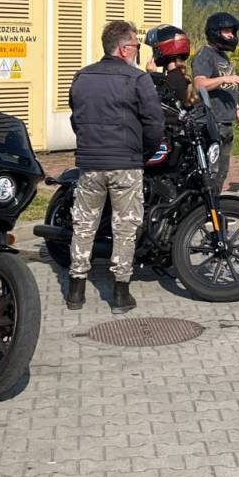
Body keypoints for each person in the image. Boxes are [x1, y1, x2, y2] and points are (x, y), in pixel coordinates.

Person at [67, 20, 164, 314]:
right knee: (125, 228)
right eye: (136, 45)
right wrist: (143, 153)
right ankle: (120, 294)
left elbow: (76, 117)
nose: (137, 50)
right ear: (123, 49)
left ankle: (75, 291)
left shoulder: (82, 77)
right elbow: (155, 124)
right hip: (125, 163)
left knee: (84, 225)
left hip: (90, 164)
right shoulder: (138, 79)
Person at [190, 12, 239, 190]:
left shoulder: (222, 56)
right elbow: (199, 84)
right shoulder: (205, 55)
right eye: (227, 31)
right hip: (210, 123)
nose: (231, 35)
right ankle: (204, 205)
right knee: (210, 174)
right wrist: (224, 79)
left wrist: (237, 109)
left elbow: (226, 88)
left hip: (225, 123)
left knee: (221, 173)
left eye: (232, 32)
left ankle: (215, 204)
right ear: (215, 32)